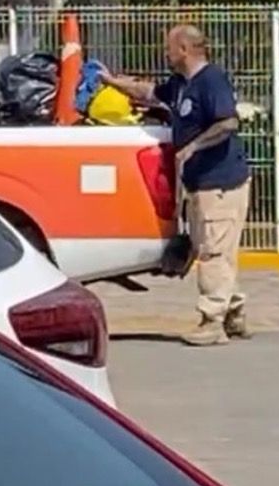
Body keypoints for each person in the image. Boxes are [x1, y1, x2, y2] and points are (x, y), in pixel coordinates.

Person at [100, 24, 252, 347]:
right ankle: (233, 311)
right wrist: (112, 82)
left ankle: (212, 321)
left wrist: (194, 146)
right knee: (215, 249)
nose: (166, 53)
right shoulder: (181, 84)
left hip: (221, 182)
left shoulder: (211, 80)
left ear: (184, 49)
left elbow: (228, 122)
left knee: (213, 252)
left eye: (169, 47)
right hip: (199, 184)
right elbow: (149, 92)